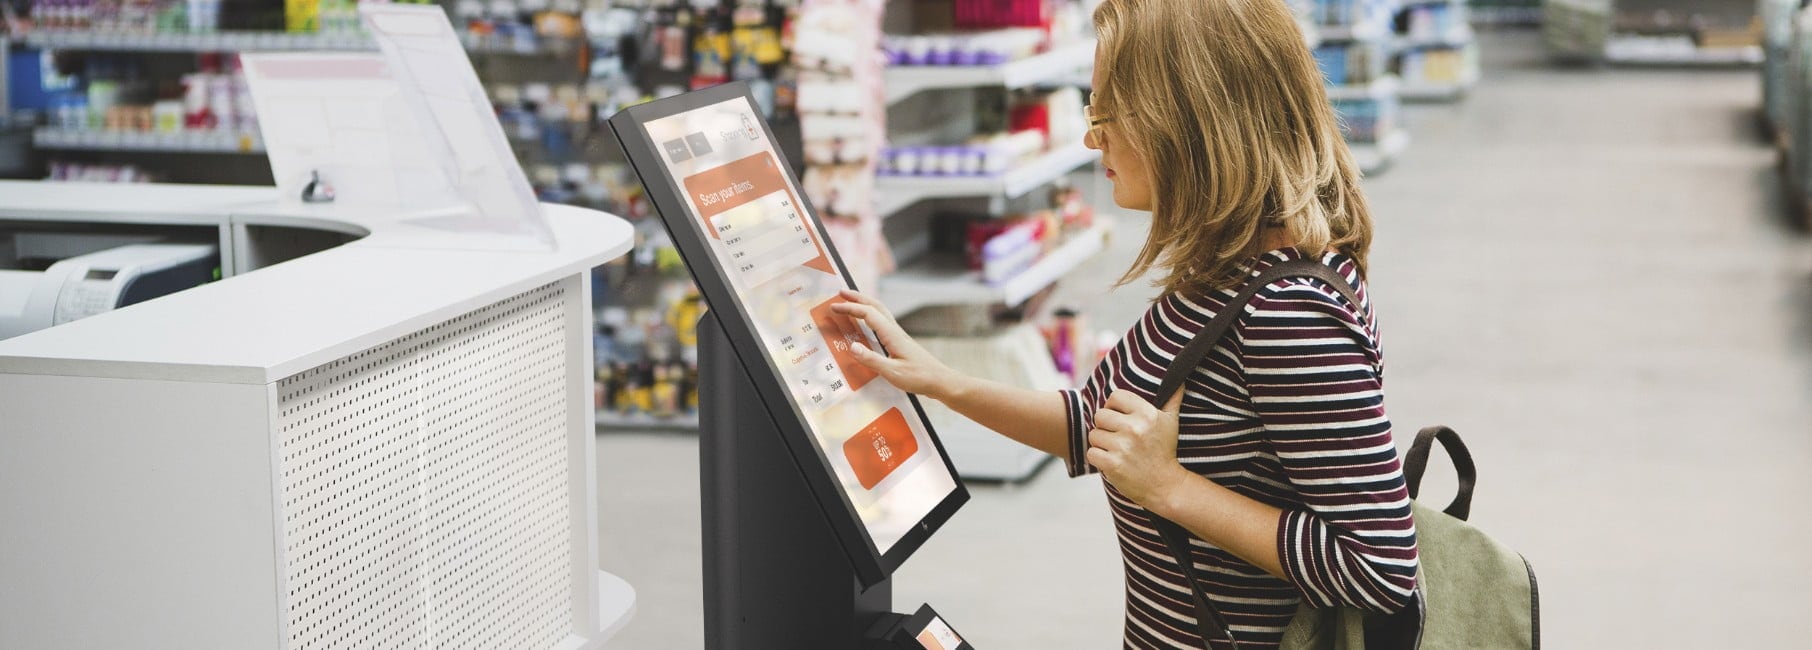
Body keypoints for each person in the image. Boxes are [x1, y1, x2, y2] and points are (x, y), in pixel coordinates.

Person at [831, 0, 1420, 647]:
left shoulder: (1286, 312)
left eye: (1107, 113)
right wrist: (940, 381)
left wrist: (1170, 488)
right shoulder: (1226, 268)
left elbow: (1379, 566)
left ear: (1188, 120)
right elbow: (1104, 426)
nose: (1091, 137)